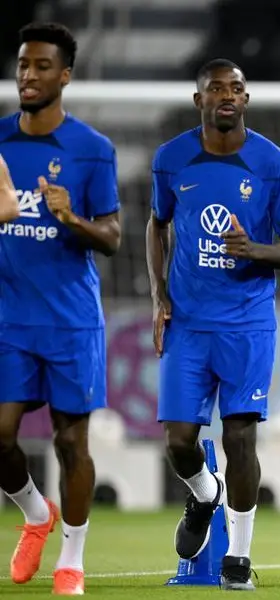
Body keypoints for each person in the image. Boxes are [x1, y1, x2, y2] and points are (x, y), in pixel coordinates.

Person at [146, 58, 280, 590]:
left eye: (236, 88)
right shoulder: (171, 160)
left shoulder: (273, 163)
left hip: (247, 322)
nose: (227, 96)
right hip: (188, 323)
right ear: (200, 101)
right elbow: (157, 224)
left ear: (246, 99)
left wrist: (252, 249)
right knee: (179, 442)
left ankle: (238, 557)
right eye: (216, 89)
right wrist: (158, 294)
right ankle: (203, 493)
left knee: (240, 438)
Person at [0, 22, 121, 596]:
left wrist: (71, 218)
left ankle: (71, 558)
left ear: (65, 76)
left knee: (71, 443)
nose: (28, 75)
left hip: (71, 320)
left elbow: (114, 238)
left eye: (42, 66)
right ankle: (34, 514)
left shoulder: (92, 151)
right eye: (23, 64)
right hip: (9, 317)